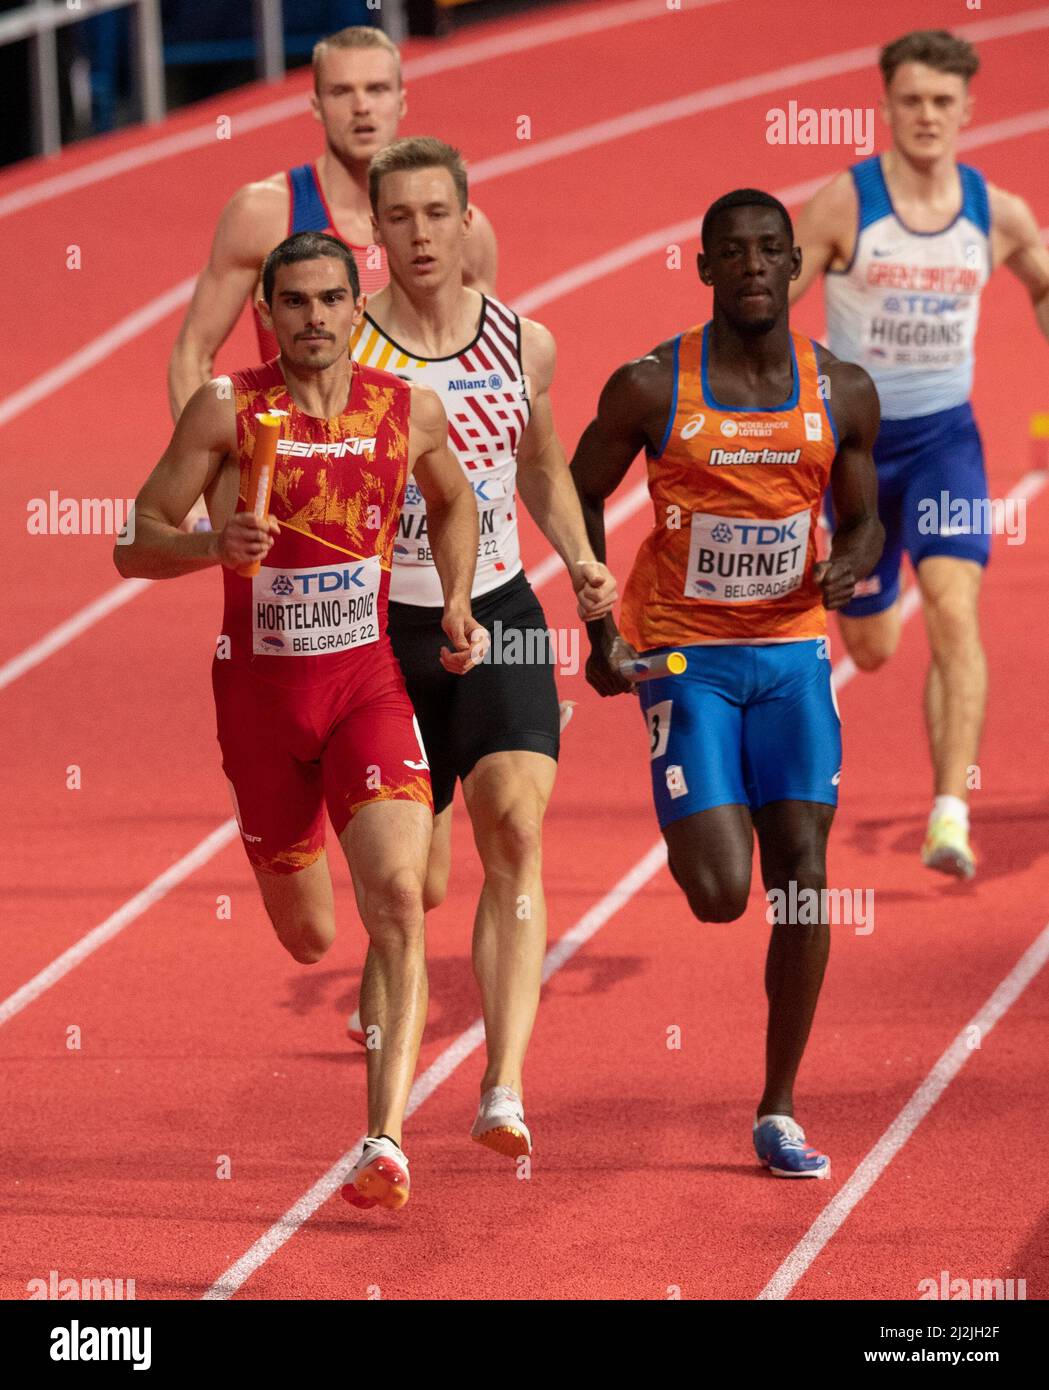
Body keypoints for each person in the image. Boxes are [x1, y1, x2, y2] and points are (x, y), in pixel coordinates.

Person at [116, 230, 487, 1211]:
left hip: (364, 686)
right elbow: (132, 543)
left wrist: (455, 601)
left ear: (354, 310)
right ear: (267, 314)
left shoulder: (406, 410)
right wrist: (211, 544)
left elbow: (456, 503)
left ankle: (385, 1139)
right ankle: (294, 863)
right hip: (258, 706)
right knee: (309, 936)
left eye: (331, 300)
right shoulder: (227, 409)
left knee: (400, 901)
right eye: (295, 302)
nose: (315, 318)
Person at [571, 190, 883, 1178]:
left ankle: (778, 1106)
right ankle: (705, 783)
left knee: (803, 873)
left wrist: (851, 562)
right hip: (681, 654)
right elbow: (576, 488)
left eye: (768, 251)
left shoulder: (840, 389)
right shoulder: (649, 386)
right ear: (702, 269)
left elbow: (867, 518)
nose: (751, 266)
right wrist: (594, 625)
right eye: (729, 253)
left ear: (794, 265)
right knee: (717, 892)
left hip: (790, 651)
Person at [348, 136, 618, 1159]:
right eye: (399, 217)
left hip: (501, 616)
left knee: (512, 826)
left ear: (468, 221)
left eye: (436, 214)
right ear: (374, 231)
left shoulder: (522, 343)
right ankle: (382, 1131)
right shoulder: (349, 352)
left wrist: (584, 568)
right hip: (383, 634)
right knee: (398, 886)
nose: (420, 234)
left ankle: (500, 1087)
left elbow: (541, 465)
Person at [790, 28, 1049, 880]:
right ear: (887, 105)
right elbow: (761, 303)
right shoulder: (845, 204)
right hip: (856, 456)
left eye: (943, 101)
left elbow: (1043, 279)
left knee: (952, 610)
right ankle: (868, 606)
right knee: (869, 648)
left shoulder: (996, 213)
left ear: (968, 108)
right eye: (911, 100)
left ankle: (949, 813)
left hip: (945, 444)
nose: (928, 115)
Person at [168, 24, 498, 526]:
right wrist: (204, 479)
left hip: (413, 490)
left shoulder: (463, 232)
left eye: (377, 90)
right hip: (297, 491)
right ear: (317, 104)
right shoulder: (264, 214)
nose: (362, 107)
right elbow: (192, 352)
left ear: (402, 101)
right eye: (343, 92)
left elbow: (481, 363)